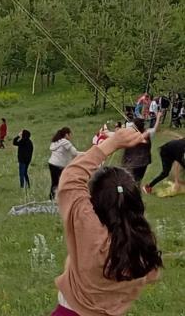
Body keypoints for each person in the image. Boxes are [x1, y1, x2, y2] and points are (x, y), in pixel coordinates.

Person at [53, 126, 162, 316]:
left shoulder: (89, 231)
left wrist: (110, 144)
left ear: (94, 200)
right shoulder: (142, 244)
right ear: (135, 202)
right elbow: (152, 275)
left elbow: (71, 179)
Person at [122, 118, 157, 183]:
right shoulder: (147, 133)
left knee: (130, 182)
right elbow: (154, 129)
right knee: (137, 181)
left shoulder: (132, 134)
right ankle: (136, 191)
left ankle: (132, 191)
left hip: (132, 163)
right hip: (143, 162)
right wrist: (158, 117)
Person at [49, 127, 80, 201]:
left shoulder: (56, 141)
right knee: (66, 182)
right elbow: (74, 153)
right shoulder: (65, 142)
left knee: (55, 182)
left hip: (52, 164)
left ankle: (52, 199)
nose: (71, 136)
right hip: (59, 165)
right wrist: (86, 154)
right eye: (70, 134)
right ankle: (65, 199)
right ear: (66, 134)